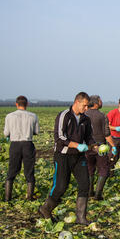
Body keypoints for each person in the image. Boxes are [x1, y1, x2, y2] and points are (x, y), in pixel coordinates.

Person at [38, 92, 95, 225]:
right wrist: (77, 145)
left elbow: (89, 138)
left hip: (79, 157)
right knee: (61, 186)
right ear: (77, 102)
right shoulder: (64, 116)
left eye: (87, 106)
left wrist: (96, 147)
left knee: (85, 184)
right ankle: (45, 209)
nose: (86, 109)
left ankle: (81, 217)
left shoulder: (85, 120)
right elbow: (60, 137)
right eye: (85, 106)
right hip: (63, 155)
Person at [3, 95, 40, 202]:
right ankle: (29, 198)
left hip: (15, 145)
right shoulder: (33, 116)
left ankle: (7, 198)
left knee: (11, 171)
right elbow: (36, 132)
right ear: (27, 104)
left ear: (16, 104)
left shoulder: (9, 116)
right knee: (29, 171)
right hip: (28, 144)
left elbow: (6, 133)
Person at [85, 95, 117, 200]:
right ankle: (98, 194)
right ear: (96, 103)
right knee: (104, 169)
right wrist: (113, 145)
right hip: (100, 148)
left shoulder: (83, 114)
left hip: (87, 147)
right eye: (100, 101)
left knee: (89, 169)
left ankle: (89, 192)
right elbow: (107, 134)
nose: (101, 102)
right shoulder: (102, 116)